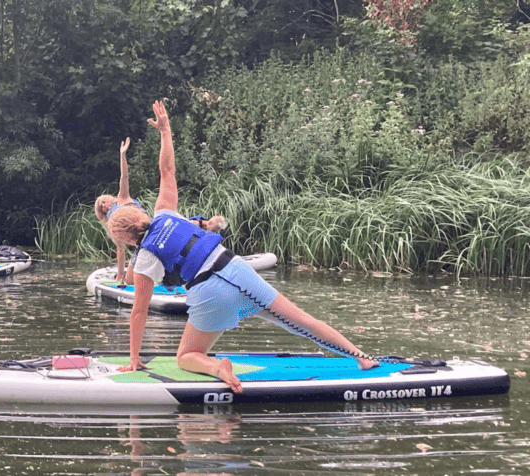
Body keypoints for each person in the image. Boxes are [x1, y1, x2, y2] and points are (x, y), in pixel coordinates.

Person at [107, 101, 377, 393]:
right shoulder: (166, 213)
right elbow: (167, 171)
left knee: (186, 357)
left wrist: (134, 359)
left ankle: (215, 366)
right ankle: (361, 357)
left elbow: (139, 312)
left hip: (210, 294)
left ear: (125, 239)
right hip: (237, 268)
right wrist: (166, 131)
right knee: (302, 319)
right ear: (142, 215)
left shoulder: (145, 257)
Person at [94, 138, 226, 284]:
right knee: (130, 280)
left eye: (104, 201)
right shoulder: (113, 226)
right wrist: (120, 275)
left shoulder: (122, 198)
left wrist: (122, 155)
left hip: (156, 230)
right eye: (101, 206)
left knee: (181, 224)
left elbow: (124, 176)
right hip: (144, 245)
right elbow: (120, 250)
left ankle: (205, 225)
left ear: (109, 198)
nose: (105, 205)